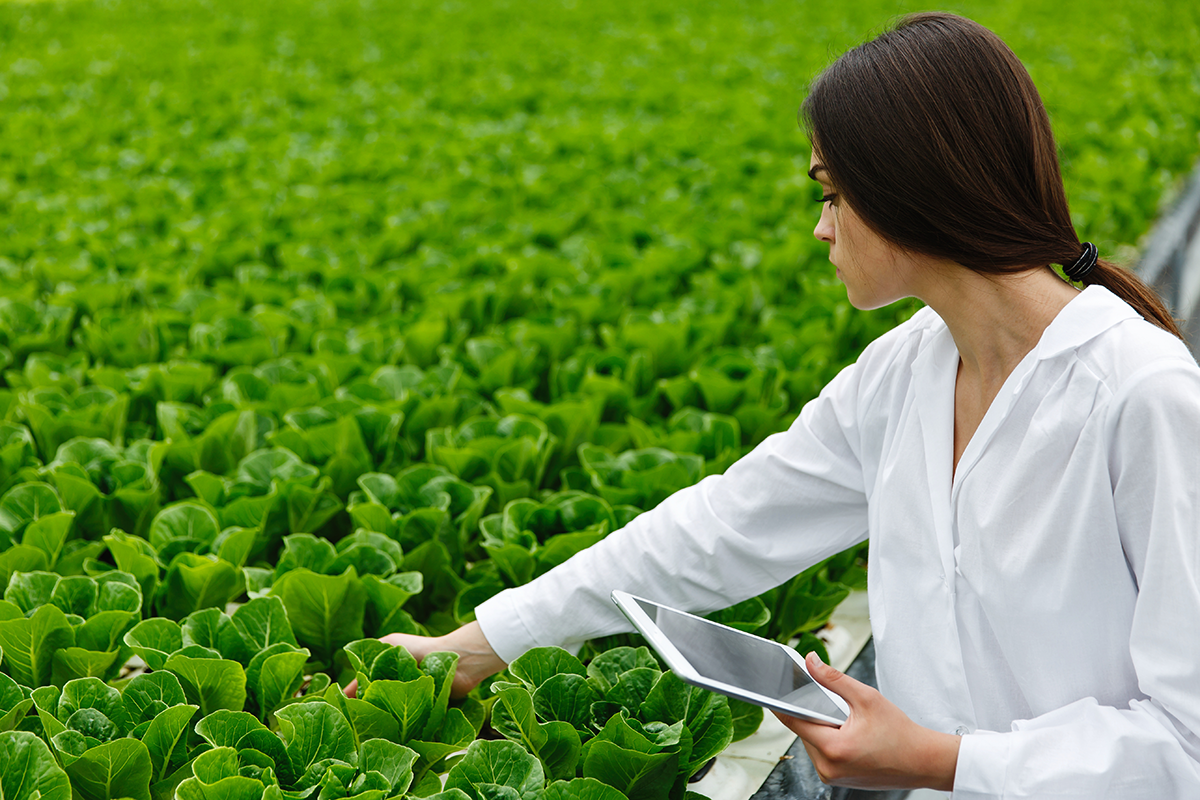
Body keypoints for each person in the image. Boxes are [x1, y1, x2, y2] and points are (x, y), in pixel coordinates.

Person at [351, 12, 1200, 797]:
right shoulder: (903, 374)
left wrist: (933, 758)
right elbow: (718, 527)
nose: (822, 229)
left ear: (909, 187)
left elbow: (1187, 746)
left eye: (831, 193)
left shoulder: (1141, 396)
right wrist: (469, 650)